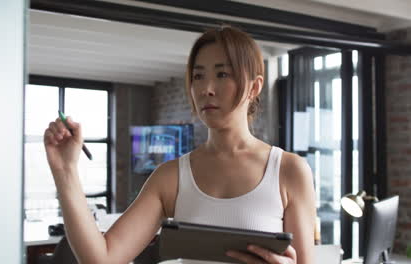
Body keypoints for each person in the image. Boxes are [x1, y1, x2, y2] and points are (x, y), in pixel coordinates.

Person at [44, 25, 316, 264]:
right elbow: (101, 258)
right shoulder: (170, 176)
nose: (206, 88)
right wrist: (65, 171)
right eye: (198, 76)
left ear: (255, 87)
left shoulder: (289, 170)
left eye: (222, 75)